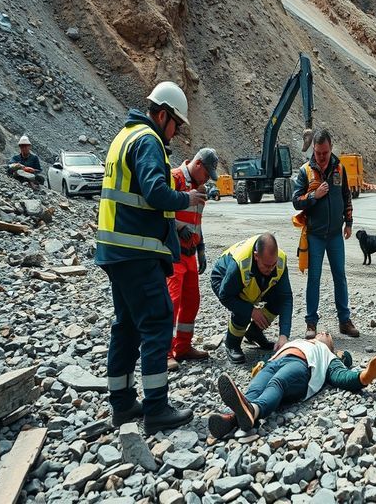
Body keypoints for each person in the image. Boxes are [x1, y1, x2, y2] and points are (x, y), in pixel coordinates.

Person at [96, 81, 206, 435]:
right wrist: (186, 199)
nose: (176, 133)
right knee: (158, 320)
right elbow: (157, 192)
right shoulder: (148, 141)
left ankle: (124, 403)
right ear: (163, 115)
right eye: (176, 124)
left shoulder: (123, 137)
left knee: (126, 325)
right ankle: (157, 407)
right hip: (136, 249)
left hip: (117, 250)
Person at [207, 332, 376, 438]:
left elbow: (342, 376)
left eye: (328, 335)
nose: (323, 332)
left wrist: (365, 376)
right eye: (321, 332)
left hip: (301, 366)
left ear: (333, 349)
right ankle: (232, 419)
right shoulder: (302, 341)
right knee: (254, 388)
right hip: (275, 363)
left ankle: (254, 411)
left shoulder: (328, 356)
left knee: (277, 384)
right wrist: (262, 364)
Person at [292, 129, 359, 339]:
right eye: (319, 153)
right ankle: (311, 322)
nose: (322, 157)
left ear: (331, 148)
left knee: (340, 277)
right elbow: (296, 201)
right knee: (314, 278)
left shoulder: (340, 168)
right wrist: (314, 195)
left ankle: (344, 321)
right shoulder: (304, 171)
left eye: (326, 153)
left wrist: (349, 222)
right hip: (315, 235)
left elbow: (347, 196)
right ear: (314, 149)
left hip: (335, 235)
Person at [167, 148, 219, 371]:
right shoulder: (174, 178)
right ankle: (165, 353)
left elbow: (197, 223)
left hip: (189, 255)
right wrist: (178, 227)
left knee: (191, 301)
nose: (207, 179)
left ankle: (183, 347)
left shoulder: (200, 188)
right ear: (198, 164)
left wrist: (201, 249)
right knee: (171, 302)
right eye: (207, 173)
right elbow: (160, 209)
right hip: (173, 253)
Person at [211, 233, 293, 364]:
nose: (271, 269)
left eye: (273, 264)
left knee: (278, 300)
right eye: (267, 265)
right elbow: (225, 296)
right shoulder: (240, 264)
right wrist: (251, 311)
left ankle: (254, 333)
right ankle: (232, 344)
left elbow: (286, 298)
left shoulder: (280, 260)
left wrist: (284, 335)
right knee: (243, 308)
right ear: (256, 256)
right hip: (223, 278)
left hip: (250, 279)